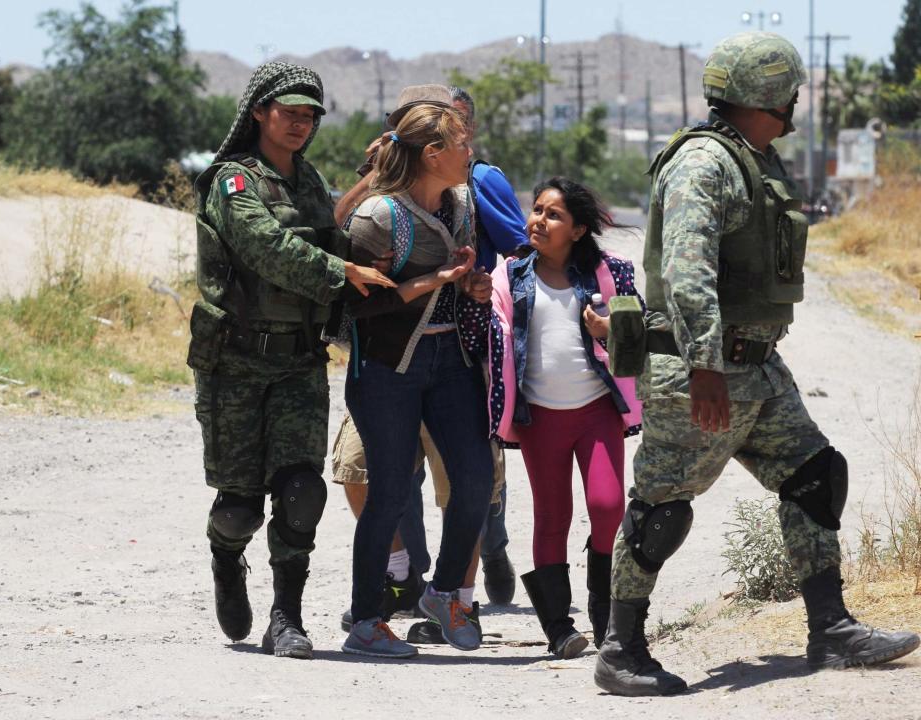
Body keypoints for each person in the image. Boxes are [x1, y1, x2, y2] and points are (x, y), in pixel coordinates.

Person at [593, 32, 920, 696]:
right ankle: (620, 649)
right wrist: (706, 365)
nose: (797, 101)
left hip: (759, 372)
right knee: (661, 509)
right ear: (771, 94)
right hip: (697, 373)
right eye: (791, 91)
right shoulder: (704, 164)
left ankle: (829, 629)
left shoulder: (754, 160)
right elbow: (686, 276)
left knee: (814, 475)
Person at [187, 61, 394, 660]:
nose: (301, 124)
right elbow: (268, 248)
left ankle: (287, 618)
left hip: (299, 361)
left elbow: (334, 227)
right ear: (258, 112)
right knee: (239, 506)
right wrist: (341, 273)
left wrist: (381, 178)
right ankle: (226, 556)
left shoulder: (309, 182)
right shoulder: (232, 183)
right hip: (235, 364)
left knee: (303, 490)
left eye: (310, 115)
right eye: (289, 112)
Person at [331, 84, 527, 640]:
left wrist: (471, 283)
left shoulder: (462, 203)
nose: (473, 153)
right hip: (388, 368)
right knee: (388, 490)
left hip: (451, 359)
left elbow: (463, 277)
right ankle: (367, 620)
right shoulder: (377, 215)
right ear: (432, 155)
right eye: (463, 144)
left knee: (474, 481)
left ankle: (444, 595)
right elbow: (357, 307)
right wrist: (430, 280)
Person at [487, 177, 643, 658]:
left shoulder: (609, 273)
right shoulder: (509, 276)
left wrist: (610, 327)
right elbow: (493, 340)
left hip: (597, 411)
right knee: (552, 515)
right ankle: (558, 627)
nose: (538, 220)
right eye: (536, 210)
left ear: (577, 230)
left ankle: (603, 613)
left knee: (608, 505)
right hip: (541, 420)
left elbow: (637, 334)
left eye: (553, 214)